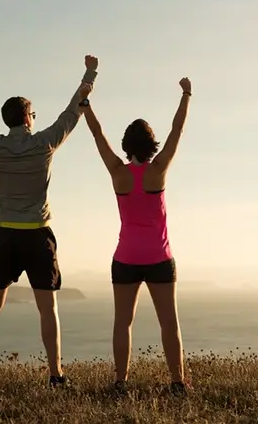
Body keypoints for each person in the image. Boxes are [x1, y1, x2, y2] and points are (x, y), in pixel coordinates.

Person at [0, 55, 97, 388]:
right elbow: (74, 111)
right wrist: (90, 72)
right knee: (47, 308)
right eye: (34, 114)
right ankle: (56, 375)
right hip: (38, 237)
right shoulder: (44, 144)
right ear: (27, 117)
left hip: (4, 236)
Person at [81, 76, 193, 394]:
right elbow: (177, 130)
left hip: (126, 258)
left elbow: (97, 135)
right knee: (169, 323)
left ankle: (121, 382)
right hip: (159, 258)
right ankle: (177, 384)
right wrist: (186, 94)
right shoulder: (158, 171)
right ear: (151, 144)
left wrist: (86, 105)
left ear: (127, 145)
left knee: (123, 322)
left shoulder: (118, 173)